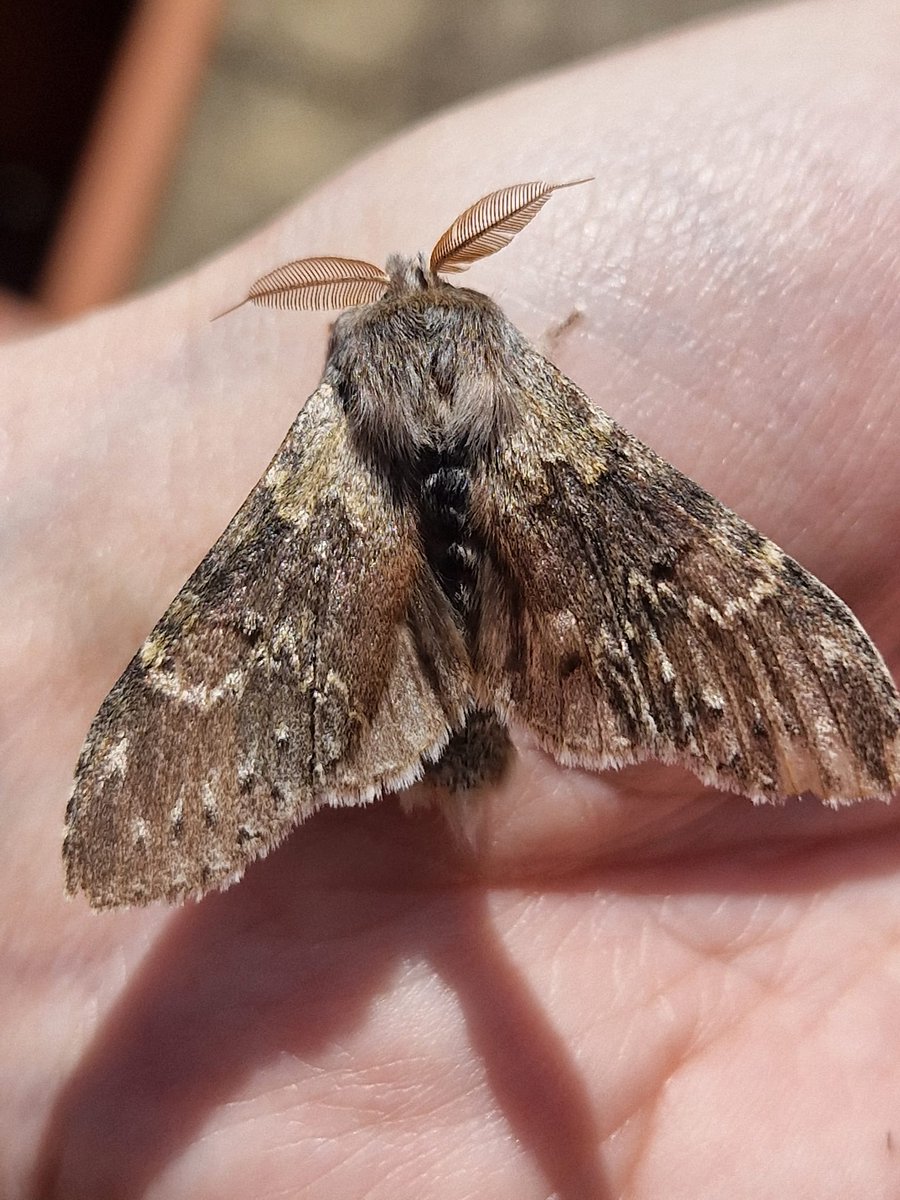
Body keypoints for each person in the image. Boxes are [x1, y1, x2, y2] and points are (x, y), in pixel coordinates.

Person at [2, 2, 898, 1195]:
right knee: (682, 574)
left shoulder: (339, 420)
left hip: (389, 648)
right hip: (538, 598)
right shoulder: (513, 370)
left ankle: (426, 705)